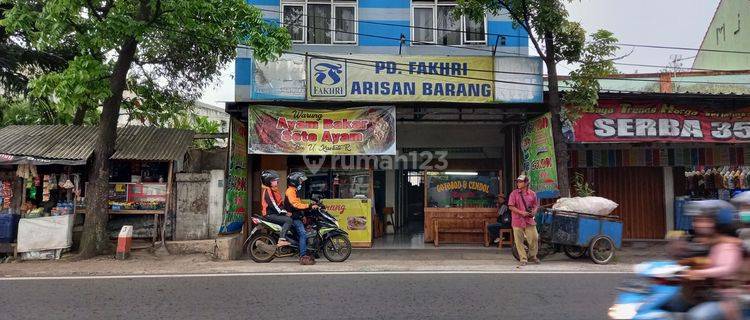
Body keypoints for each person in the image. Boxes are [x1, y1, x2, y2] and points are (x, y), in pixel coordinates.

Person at [672, 201, 743, 319]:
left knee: (697, 316)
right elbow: (686, 256)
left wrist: (698, 272)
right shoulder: (703, 241)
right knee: (670, 303)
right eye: (696, 221)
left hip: (723, 298)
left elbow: (726, 269)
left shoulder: (728, 244)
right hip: (700, 294)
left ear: (717, 223)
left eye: (705, 221)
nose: (699, 225)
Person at [285, 171, 319, 266]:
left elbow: (298, 205)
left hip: (296, 216)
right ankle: (303, 255)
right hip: (293, 218)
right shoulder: (290, 191)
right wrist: (309, 206)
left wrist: (303, 215)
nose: (301, 183)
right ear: (294, 181)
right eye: (299, 181)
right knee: (303, 234)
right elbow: (295, 205)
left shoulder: (294, 191)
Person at [507, 174, 540, 267]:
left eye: (520, 181)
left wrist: (534, 212)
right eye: (517, 181)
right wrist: (521, 212)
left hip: (529, 220)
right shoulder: (514, 193)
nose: (518, 183)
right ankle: (523, 258)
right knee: (519, 241)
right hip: (517, 220)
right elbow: (511, 206)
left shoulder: (532, 194)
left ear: (526, 183)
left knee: (534, 238)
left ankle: (533, 256)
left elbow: (535, 205)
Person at [259, 170, 292, 247]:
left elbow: (279, 203)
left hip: (273, 213)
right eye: (274, 180)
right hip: (270, 214)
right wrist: (285, 213)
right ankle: (281, 239)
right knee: (288, 220)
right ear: (268, 181)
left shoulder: (272, 190)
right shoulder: (268, 191)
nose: (277, 182)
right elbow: (274, 206)